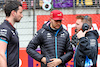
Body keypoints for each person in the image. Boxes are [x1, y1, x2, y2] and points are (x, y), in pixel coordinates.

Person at [0, 1, 23, 67]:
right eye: (20, 12)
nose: (22, 15)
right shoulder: (4, 29)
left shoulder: (11, 29)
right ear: (13, 13)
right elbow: (1, 53)